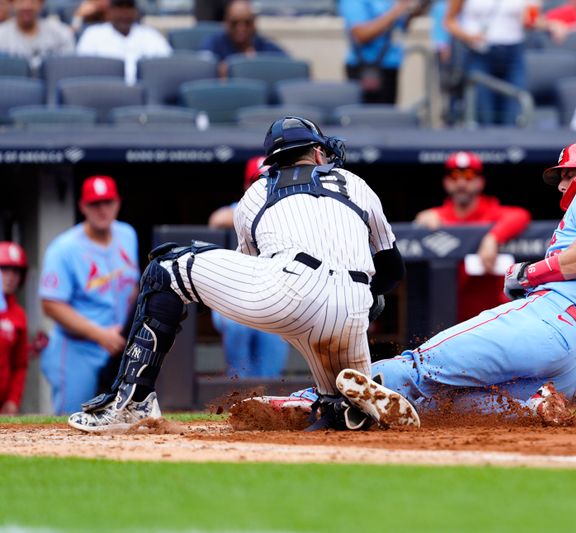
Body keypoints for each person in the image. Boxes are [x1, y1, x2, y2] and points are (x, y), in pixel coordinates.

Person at [68, 116, 418, 433]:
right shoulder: (355, 183)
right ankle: (345, 409)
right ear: (315, 152)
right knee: (338, 399)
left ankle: (130, 402)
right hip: (353, 307)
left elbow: (254, 270)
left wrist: (198, 296)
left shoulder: (256, 192)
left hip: (291, 290)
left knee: (165, 268)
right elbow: (392, 269)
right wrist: (372, 298)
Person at [273, 142, 576, 425]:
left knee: (419, 370)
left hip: (551, 322)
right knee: (448, 407)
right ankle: (539, 408)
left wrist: (532, 273)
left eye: (568, 174)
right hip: (575, 370)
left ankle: (307, 402)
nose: (562, 186)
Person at [39, 176, 139, 415]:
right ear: (82, 207)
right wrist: (100, 334)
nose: (102, 209)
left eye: (107, 202)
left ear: (117, 203)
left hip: (117, 346)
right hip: (76, 349)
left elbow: (133, 286)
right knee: (72, 420)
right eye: (95, 203)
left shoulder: (127, 234)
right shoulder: (64, 248)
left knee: (119, 421)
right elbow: (51, 304)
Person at [414, 151, 531, 322]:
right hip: (451, 315)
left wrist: (492, 238)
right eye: (454, 176)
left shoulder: (492, 211)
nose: (461, 183)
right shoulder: (436, 216)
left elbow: (521, 215)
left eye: (469, 176)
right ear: (446, 182)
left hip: (496, 314)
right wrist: (420, 221)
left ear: (480, 182)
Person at [207, 156, 290, 378]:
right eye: (257, 182)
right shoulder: (240, 209)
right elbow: (216, 219)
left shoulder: (290, 211)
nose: (264, 187)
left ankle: (262, 403)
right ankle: (238, 389)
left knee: (270, 370)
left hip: (273, 298)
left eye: (269, 180)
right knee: (237, 326)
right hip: (234, 298)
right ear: (247, 187)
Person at [444, 0, 531, 125]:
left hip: (513, 54)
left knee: (512, 115)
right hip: (480, 54)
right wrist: (468, 36)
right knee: (485, 117)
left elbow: (530, 19)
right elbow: (449, 20)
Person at [340, 0, 430, 104]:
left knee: (388, 113)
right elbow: (361, 34)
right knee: (367, 115)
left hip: (390, 65)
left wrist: (418, 7)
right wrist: (398, 9)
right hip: (365, 67)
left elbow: (399, 25)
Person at [76, 0, 171, 84]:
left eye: (129, 7)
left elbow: (166, 67)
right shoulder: (93, 34)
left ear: (136, 11)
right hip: (105, 93)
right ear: (109, 11)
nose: (124, 13)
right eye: (119, 7)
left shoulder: (151, 35)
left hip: (145, 94)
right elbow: (83, 72)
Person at [201, 0, 286, 78]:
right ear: (226, 22)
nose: (241, 28)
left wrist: (260, 65)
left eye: (247, 22)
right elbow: (203, 67)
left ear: (254, 23)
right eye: (235, 23)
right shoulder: (214, 43)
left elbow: (287, 66)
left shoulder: (264, 45)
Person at [0, 0, 75, 71]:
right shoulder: (2, 34)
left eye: (33, 1)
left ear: (41, 4)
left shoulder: (59, 32)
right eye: (21, 1)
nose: (27, 6)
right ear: (12, 4)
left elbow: (68, 66)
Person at [0, 242, 29, 415]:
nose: (11, 277)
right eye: (4, 270)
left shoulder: (19, 315)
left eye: (16, 271)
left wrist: (13, 400)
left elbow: (20, 364)